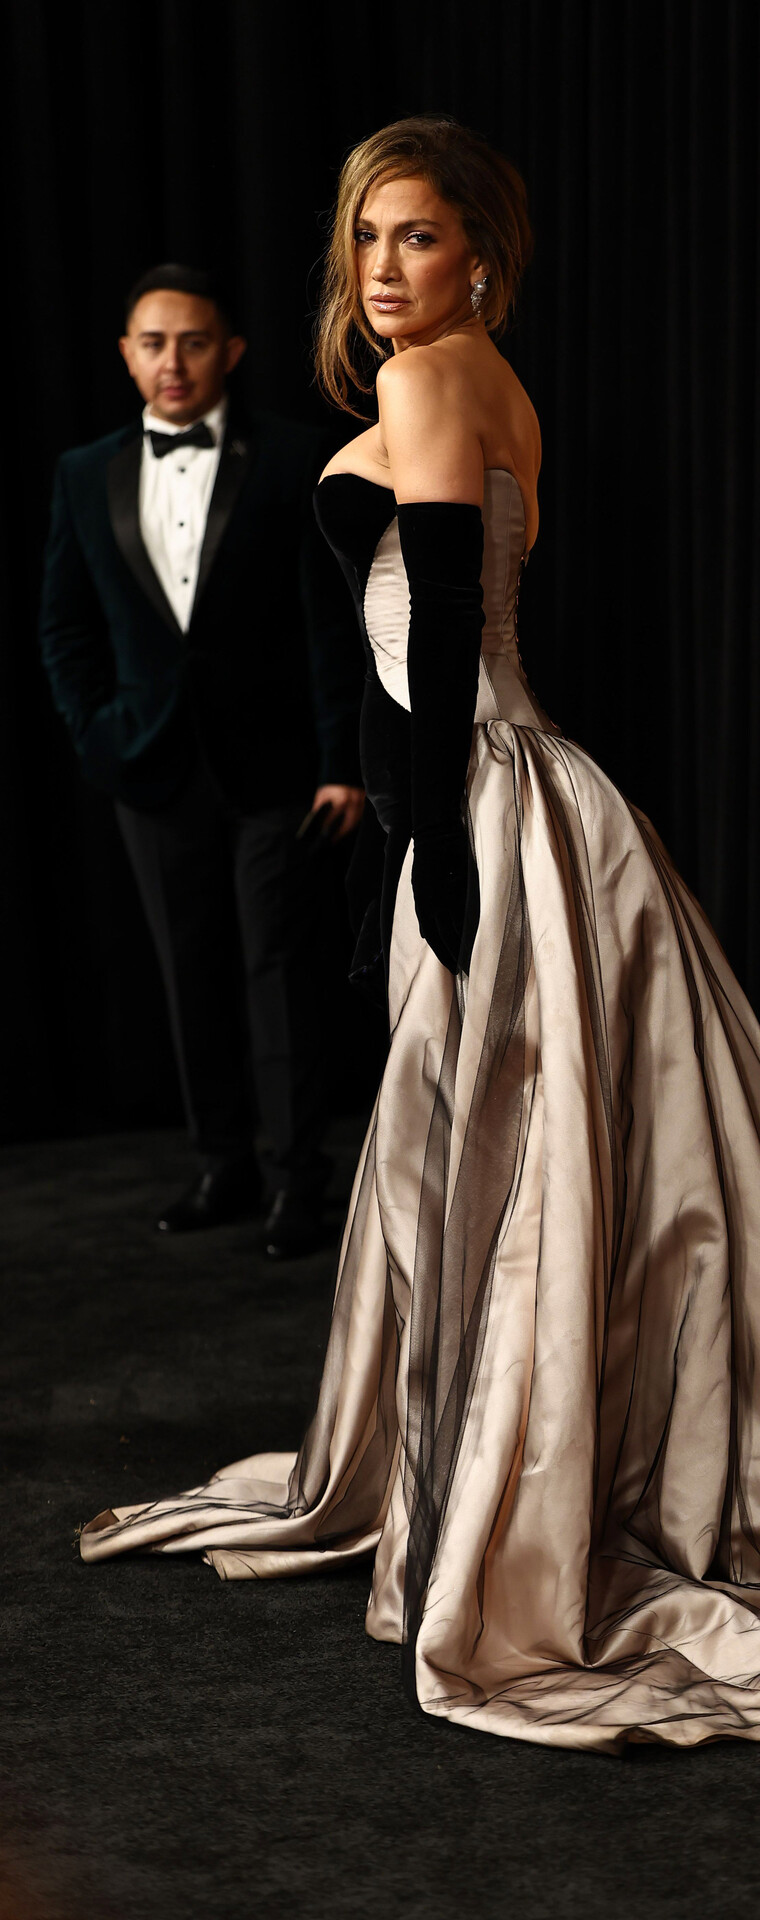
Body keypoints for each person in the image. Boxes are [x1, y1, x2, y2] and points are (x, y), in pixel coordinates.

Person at [79, 119, 760, 1752]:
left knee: (512, 1151)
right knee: (552, 1152)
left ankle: (530, 1491)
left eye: (418, 236)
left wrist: (428, 841)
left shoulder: (430, 382)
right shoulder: (489, 382)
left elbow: (443, 620)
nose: (383, 267)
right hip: (521, 793)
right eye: (366, 235)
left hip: (488, 801)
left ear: (481, 255)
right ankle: (571, 1450)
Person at [40, 266, 366, 1259]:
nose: (171, 362)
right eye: (152, 343)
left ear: (230, 350)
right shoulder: (84, 471)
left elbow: (329, 626)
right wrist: (98, 736)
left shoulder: (293, 458)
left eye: (191, 341)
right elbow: (65, 627)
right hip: (149, 769)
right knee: (189, 973)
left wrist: (341, 762)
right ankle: (223, 1164)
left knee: (278, 972)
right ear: (127, 354)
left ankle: (297, 1177)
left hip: (279, 771)